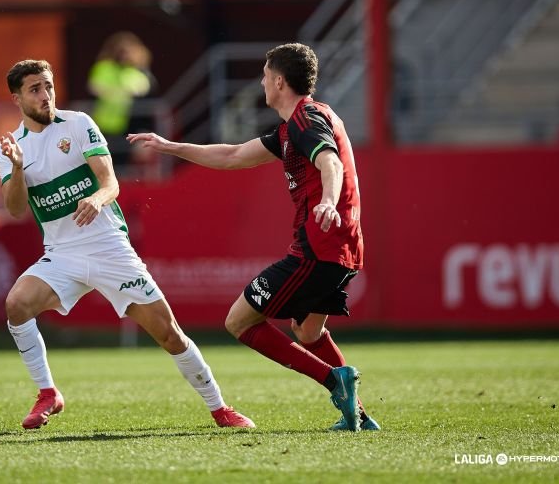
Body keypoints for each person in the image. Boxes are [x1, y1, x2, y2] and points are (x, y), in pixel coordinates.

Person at [128, 43, 379, 432]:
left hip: (318, 246)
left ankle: (335, 380)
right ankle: (358, 415)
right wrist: (170, 146)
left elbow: (328, 159)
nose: (261, 82)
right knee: (308, 331)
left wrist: (328, 200)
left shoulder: (305, 119)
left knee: (240, 321)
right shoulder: (299, 125)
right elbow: (231, 156)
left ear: (279, 81)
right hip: (342, 248)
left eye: (265, 75)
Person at [0, 59, 254, 430]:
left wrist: (97, 199)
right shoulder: (10, 149)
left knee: (169, 334)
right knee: (17, 304)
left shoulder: (79, 124)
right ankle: (48, 393)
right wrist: (18, 168)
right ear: (17, 98)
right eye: (35, 89)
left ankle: (220, 408)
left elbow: (111, 183)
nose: (45, 95)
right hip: (62, 255)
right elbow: (16, 209)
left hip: (107, 246)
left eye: (48, 86)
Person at [87, 32, 155, 168]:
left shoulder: (137, 72)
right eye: (121, 52)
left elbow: (143, 89)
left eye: (128, 52)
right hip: (105, 124)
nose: (125, 56)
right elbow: (95, 87)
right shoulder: (104, 67)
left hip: (131, 125)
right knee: (106, 163)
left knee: (125, 165)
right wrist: (117, 93)